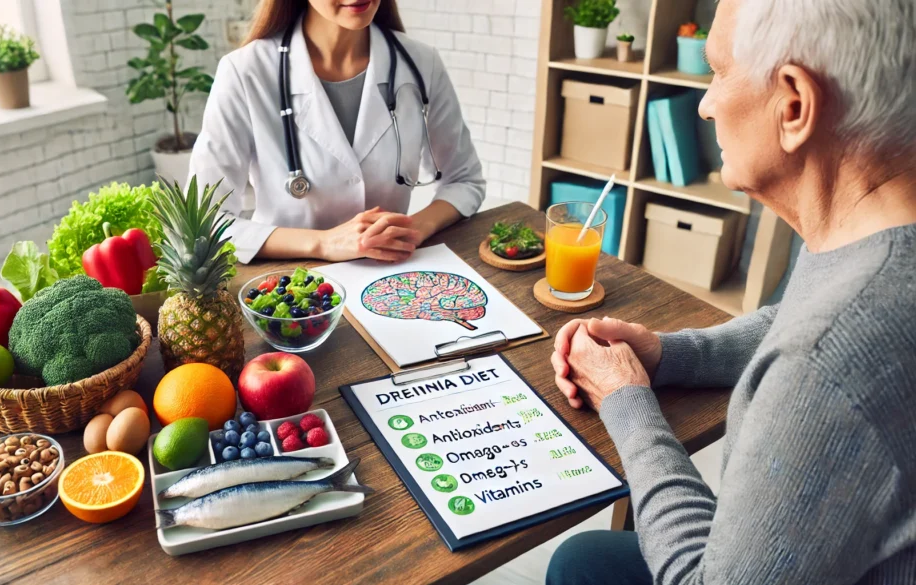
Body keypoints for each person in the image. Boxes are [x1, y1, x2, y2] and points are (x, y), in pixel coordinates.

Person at [547, 0, 916, 583]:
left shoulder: (828, 365)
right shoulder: (874, 240)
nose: (706, 102)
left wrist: (625, 398)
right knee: (582, 560)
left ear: (794, 105)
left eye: (719, 71)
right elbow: (791, 318)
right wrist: (672, 354)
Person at [188, 0, 485, 264]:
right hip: (290, 290)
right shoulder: (244, 72)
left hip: (390, 273)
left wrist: (413, 229)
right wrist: (324, 243)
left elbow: (464, 180)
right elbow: (206, 222)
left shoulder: (422, 62)